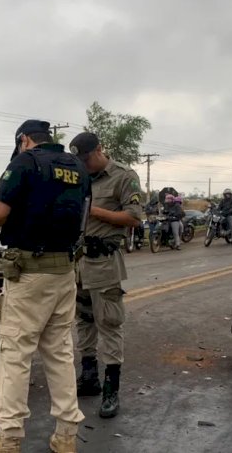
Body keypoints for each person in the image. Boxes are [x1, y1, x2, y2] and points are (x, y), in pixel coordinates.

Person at [0, 120, 90, 453]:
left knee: (15, 355)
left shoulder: (26, 162)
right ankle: (66, 436)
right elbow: (82, 215)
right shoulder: (77, 167)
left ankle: (8, 439)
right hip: (64, 271)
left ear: (24, 140)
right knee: (60, 353)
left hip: (29, 275)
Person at [69, 132, 143, 420]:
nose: (84, 164)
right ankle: (89, 377)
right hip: (79, 262)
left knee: (109, 322)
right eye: (81, 160)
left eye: (87, 158)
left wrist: (92, 211)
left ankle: (112, 389)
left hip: (104, 261)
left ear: (100, 150)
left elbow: (134, 217)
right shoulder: (78, 177)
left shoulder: (124, 176)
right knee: (84, 320)